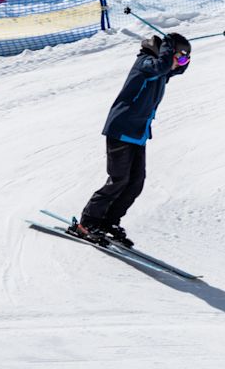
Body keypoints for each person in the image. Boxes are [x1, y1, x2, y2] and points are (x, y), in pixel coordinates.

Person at [73, 32, 192, 247]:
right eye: (180, 57)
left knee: (135, 183)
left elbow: (175, 70)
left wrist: (184, 58)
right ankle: (88, 222)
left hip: (137, 134)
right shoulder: (145, 64)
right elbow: (161, 66)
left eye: (184, 59)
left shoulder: (161, 71)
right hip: (121, 129)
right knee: (118, 180)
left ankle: (109, 221)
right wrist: (168, 46)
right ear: (165, 52)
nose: (181, 63)